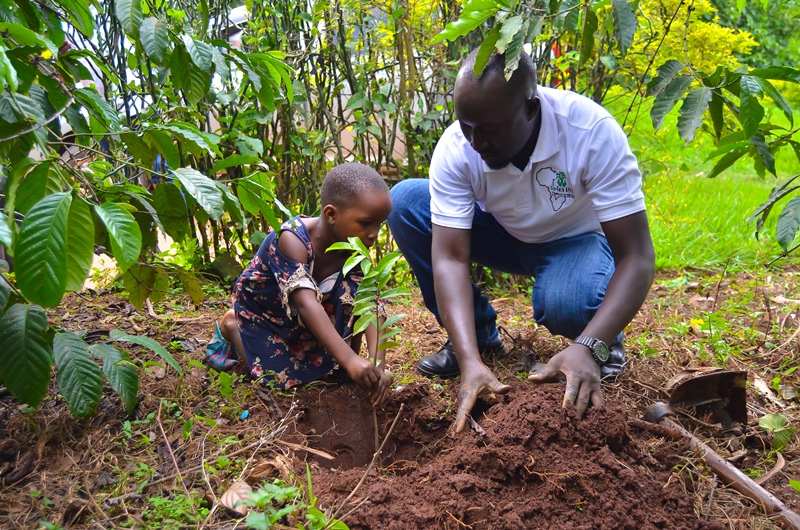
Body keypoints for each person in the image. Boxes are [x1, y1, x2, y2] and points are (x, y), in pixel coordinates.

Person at [387, 50, 655, 432]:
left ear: (530, 109)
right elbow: (449, 258)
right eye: (467, 126)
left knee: (565, 304)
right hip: (499, 234)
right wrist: (469, 361)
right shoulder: (458, 147)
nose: (476, 142)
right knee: (406, 203)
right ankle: (479, 341)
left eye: (490, 129)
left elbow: (638, 257)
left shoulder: (590, 132)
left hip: (572, 242)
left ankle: (601, 340)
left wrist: (587, 345)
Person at [206, 162, 394, 407]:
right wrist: (349, 359)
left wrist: (377, 366)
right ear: (331, 215)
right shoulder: (292, 239)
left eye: (380, 224)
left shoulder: (355, 248)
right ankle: (233, 326)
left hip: (304, 321)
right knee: (275, 379)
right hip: (266, 316)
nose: (374, 234)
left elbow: (370, 303)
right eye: (366, 223)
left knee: (353, 292)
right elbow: (305, 303)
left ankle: (343, 362)